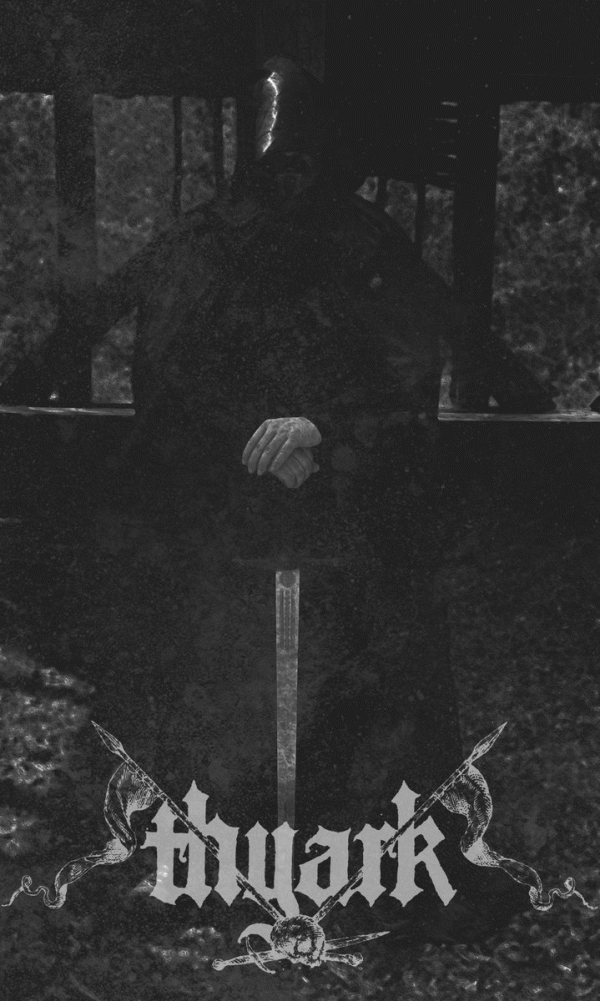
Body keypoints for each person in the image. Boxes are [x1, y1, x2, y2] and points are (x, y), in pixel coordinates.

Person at [94, 57, 528, 943]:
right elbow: (166, 382)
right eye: (271, 147)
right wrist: (250, 443)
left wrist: (323, 432)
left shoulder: (371, 247)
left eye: (301, 147)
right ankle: (205, 866)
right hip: (228, 517)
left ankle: (379, 870)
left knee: (381, 670)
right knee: (209, 677)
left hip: (355, 513)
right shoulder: (197, 247)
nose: (286, 165)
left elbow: (409, 381)